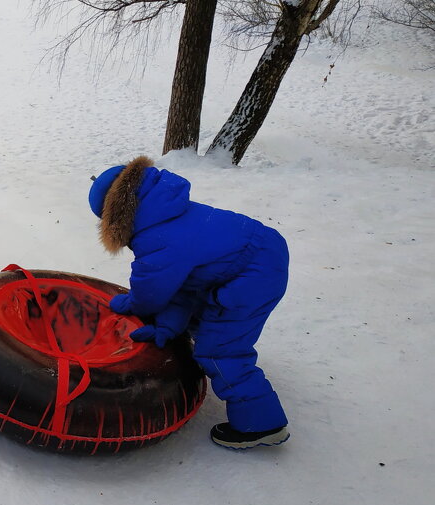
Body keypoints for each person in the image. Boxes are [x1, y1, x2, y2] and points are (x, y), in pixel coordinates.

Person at [88, 156, 290, 450]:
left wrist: (134, 303)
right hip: (256, 254)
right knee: (201, 312)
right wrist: (169, 326)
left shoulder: (156, 238)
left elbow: (151, 291)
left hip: (252, 276)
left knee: (220, 350)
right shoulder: (167, 211)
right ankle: (198, 340)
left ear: (115, 218)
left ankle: (261, 424)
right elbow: (184, 285)